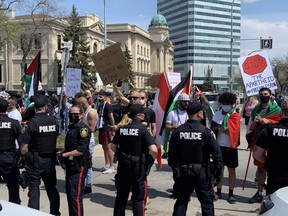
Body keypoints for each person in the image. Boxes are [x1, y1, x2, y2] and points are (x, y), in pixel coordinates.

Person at [168, 101, 223, 216]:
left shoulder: (177, 131)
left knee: (181, 202)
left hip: (182, 172)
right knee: (207, 204)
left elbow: (171, 157)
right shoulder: (206, 132)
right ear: (199, 114)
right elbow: (217, 155)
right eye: (202, 112)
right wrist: (216, 174)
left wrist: (175, 171)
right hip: (202, 174)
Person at [111, 104, 158, 216]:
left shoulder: (121, 128)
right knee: (138, 200)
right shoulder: (143, 129)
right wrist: (151, 159)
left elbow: (112, 147)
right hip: (138, 168)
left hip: (123, 166)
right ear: (140, 115)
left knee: (121, 198)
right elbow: (154, 149)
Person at [20, 95, 60, 215]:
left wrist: (25, 156)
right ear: (46, 107)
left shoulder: (32, 123)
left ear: (35, 108)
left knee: (34, 191)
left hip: (35, 161)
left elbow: (23, 148)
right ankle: (55, 213)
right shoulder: (54, 121)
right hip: (50, 160)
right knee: (52, 188)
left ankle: (35, 214)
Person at [248, 87, 281, 203]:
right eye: (261, 94)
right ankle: (260, 193)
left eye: (266, 94)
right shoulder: (256, 109)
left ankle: (273, 194)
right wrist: (256, 122)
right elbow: (251, 128)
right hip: (260, 142)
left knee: (273, 169)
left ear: (270, 95)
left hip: (274, 143)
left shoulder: (277, 109)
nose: (264, 96)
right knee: (261, 169)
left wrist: (269, 121)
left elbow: (282, 123)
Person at [253, 99, 288, 195]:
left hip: (275, 176)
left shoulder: (270, 129)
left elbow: (256, 154)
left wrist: (269, 162)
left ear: (281, 112)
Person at [61, 104, 91, 216]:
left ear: (82, 115)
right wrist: (63, 151)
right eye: (71, 114)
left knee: (76, 196)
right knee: (70, 194)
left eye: (76, 114)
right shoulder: (72, 128)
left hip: (79, 165)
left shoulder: (83, 129)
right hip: (70, 165)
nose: (73, 116)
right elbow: (71, 145)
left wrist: (64, 155)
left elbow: (81, 150)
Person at [211, 92, 241, 204]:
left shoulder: (236, 116)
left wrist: (222, 129)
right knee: (220, 170)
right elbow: (214, 129)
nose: (226, 105)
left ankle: (231, 193)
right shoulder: (217, 115)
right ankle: (218, 192)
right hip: (219, 146)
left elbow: (235, 132)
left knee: (231, 170)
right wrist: (224, 129)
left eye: (228, 103)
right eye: (224, 103)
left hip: (231, 147)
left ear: (232, 104)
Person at [74, 96, 98, 195]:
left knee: (87, 163)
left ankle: (88, 185)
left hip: (89, 141)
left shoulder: (91, 112)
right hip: (83, 139)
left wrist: (82, 127)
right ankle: (83, 183)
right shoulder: (85, 112)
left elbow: (92, 129)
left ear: (83, 104)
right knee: (82, 162)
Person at [0, 98, 21, 204]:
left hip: (8, 156)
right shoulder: (14, 123)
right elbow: (21, 142)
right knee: (13, 188)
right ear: (7, 109)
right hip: (9, 157)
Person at [96, 89, 116, 174]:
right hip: (101, 128)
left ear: (105, 97)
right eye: (98, 95)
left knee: (108, 148)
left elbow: (111, 118)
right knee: (104, 147)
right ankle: (107, 164)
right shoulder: (101, 105)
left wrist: (113, 128)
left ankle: (112, 166)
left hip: (107, 128)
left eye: (101, 96)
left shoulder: (108, 106)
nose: (99, 97)